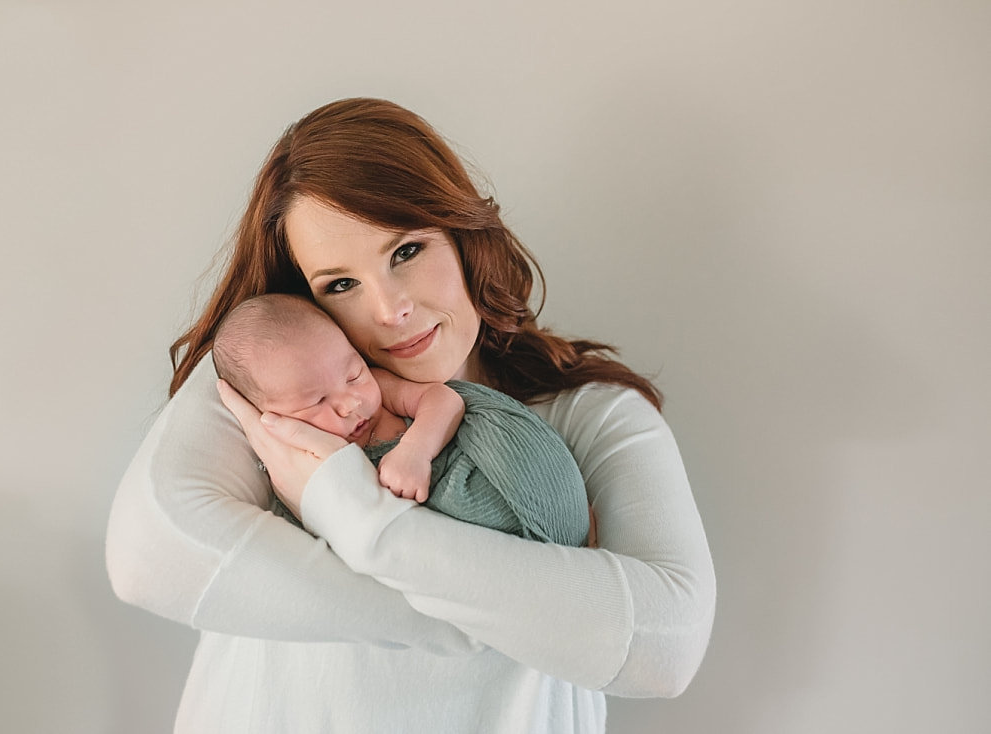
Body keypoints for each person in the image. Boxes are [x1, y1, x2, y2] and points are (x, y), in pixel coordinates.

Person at [106, 97, 716, 734]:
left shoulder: (588, 415)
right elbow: (146, 560)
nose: (390, 309)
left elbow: (664, 650)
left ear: (461, 233)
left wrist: (350, 509)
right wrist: (520, 615)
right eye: (339, 285)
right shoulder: (279, 377)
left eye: (405, 251)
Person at [211, 292, 591, 546]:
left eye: (353, 373)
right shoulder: (299, 460)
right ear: (273, 417)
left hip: (469, 465)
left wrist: (415, 451)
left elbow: (444, 400)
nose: (350, 403)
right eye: (316, 401)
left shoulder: (381, 390)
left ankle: (558, 520)